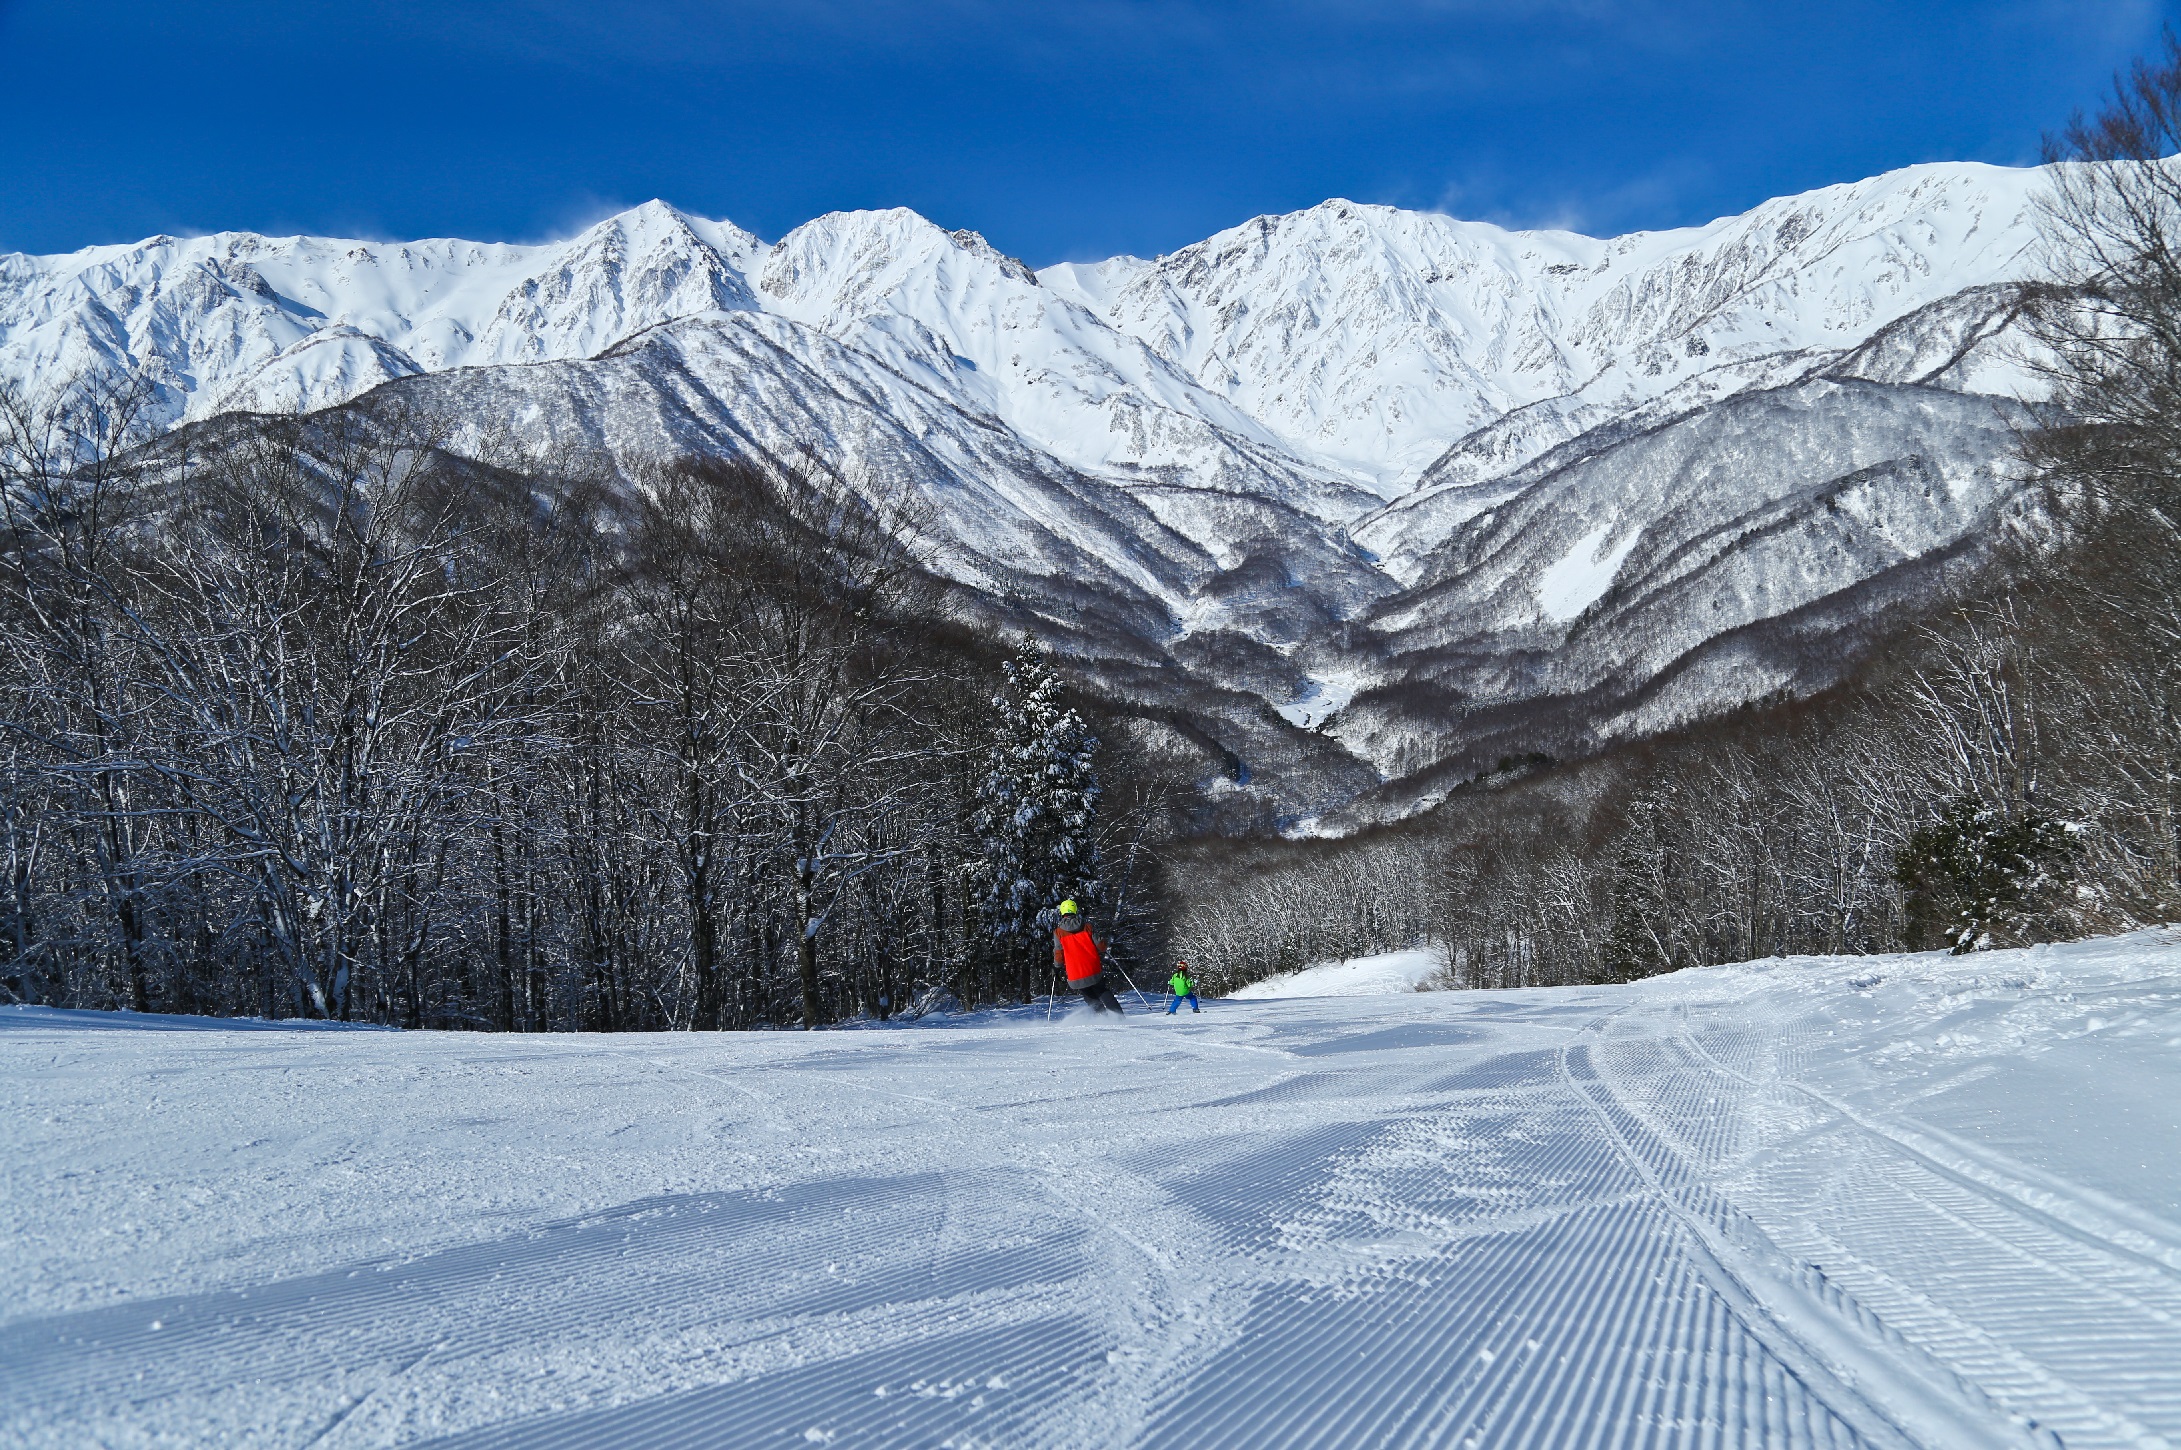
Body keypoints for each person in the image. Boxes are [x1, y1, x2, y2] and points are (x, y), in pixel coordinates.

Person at [1053, 899, 1124, 1014]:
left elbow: (1058, 953)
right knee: (1102, 991)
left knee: (1088, 995)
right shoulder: (1087, 927)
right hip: (1092, 967)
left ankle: (1103, 1017)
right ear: (1075, 910)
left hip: (1075, 971)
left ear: (1062, 912)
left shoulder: (1058, 932)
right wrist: (1104, 944)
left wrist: (1056, 967)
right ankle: (1119, 1017)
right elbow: (1101, 945)